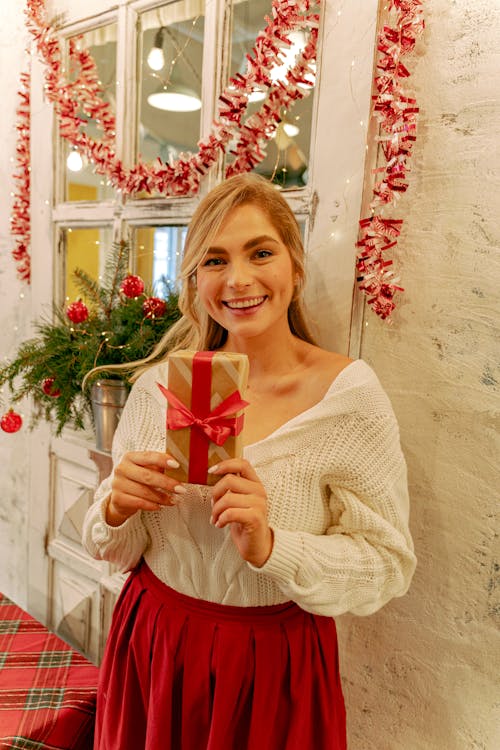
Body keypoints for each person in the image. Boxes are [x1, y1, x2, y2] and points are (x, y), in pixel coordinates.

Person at [82, 173, 416, 750]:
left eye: (260, 252)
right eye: (214, 260)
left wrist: (271, 544)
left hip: (271, 667)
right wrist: (114, 507)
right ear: (196, 279)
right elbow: (117, 550)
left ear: (294, 265)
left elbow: (386, 564)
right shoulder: (162, 386)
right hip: (155, 643)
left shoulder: (347, 397)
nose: (238, 279)